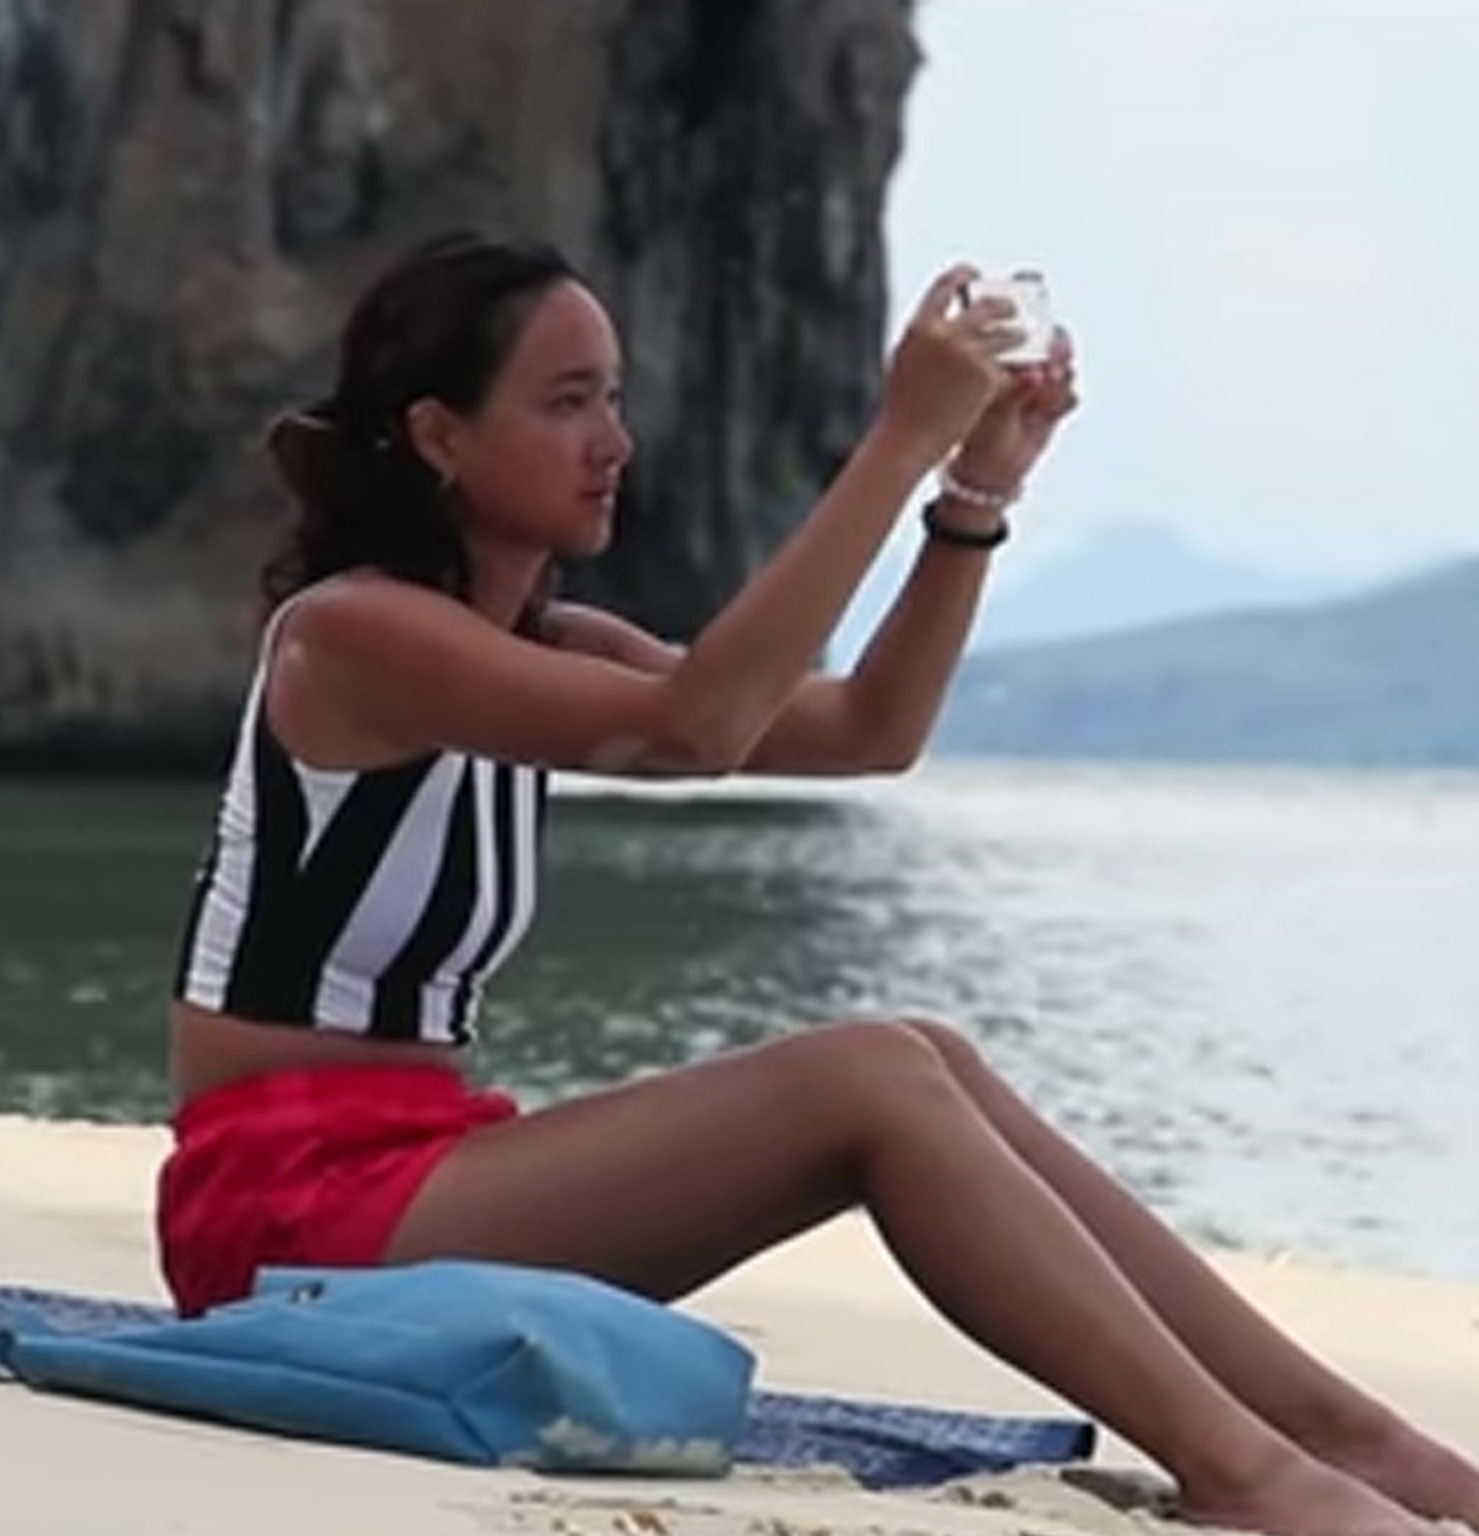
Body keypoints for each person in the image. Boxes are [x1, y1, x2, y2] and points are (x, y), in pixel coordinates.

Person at [157, 232, 1479, 1536]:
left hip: (420, 1168)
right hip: (281, 1225)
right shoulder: (355, 634)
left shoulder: (547, 642)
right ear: (440, 436)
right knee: (866, 1075)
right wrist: (895, 438)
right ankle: (1246, 1472)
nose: (612, 439)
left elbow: (865, 733)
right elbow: (693, 727)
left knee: (923, 1052)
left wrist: (970, 500)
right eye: (567, 404)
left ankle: (1348, 1438)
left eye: (613, 397)